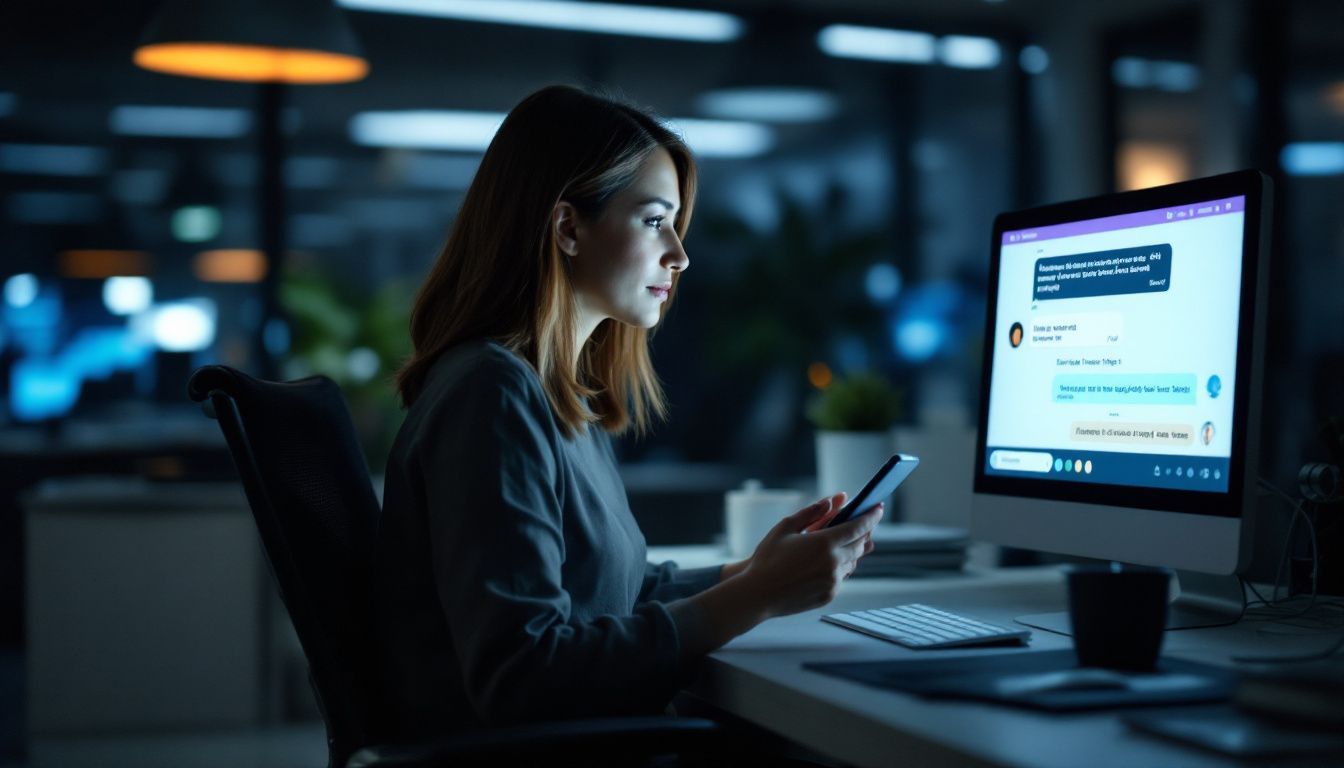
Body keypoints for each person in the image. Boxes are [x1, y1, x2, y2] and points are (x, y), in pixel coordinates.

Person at [370, 85, 881, 740]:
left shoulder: (550, 392)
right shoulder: (491, 396)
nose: (679, 253)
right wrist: (756, 596)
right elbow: (524, 676)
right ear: (567, 228)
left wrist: (758, 571)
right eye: (652, 219)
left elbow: (616, 591)